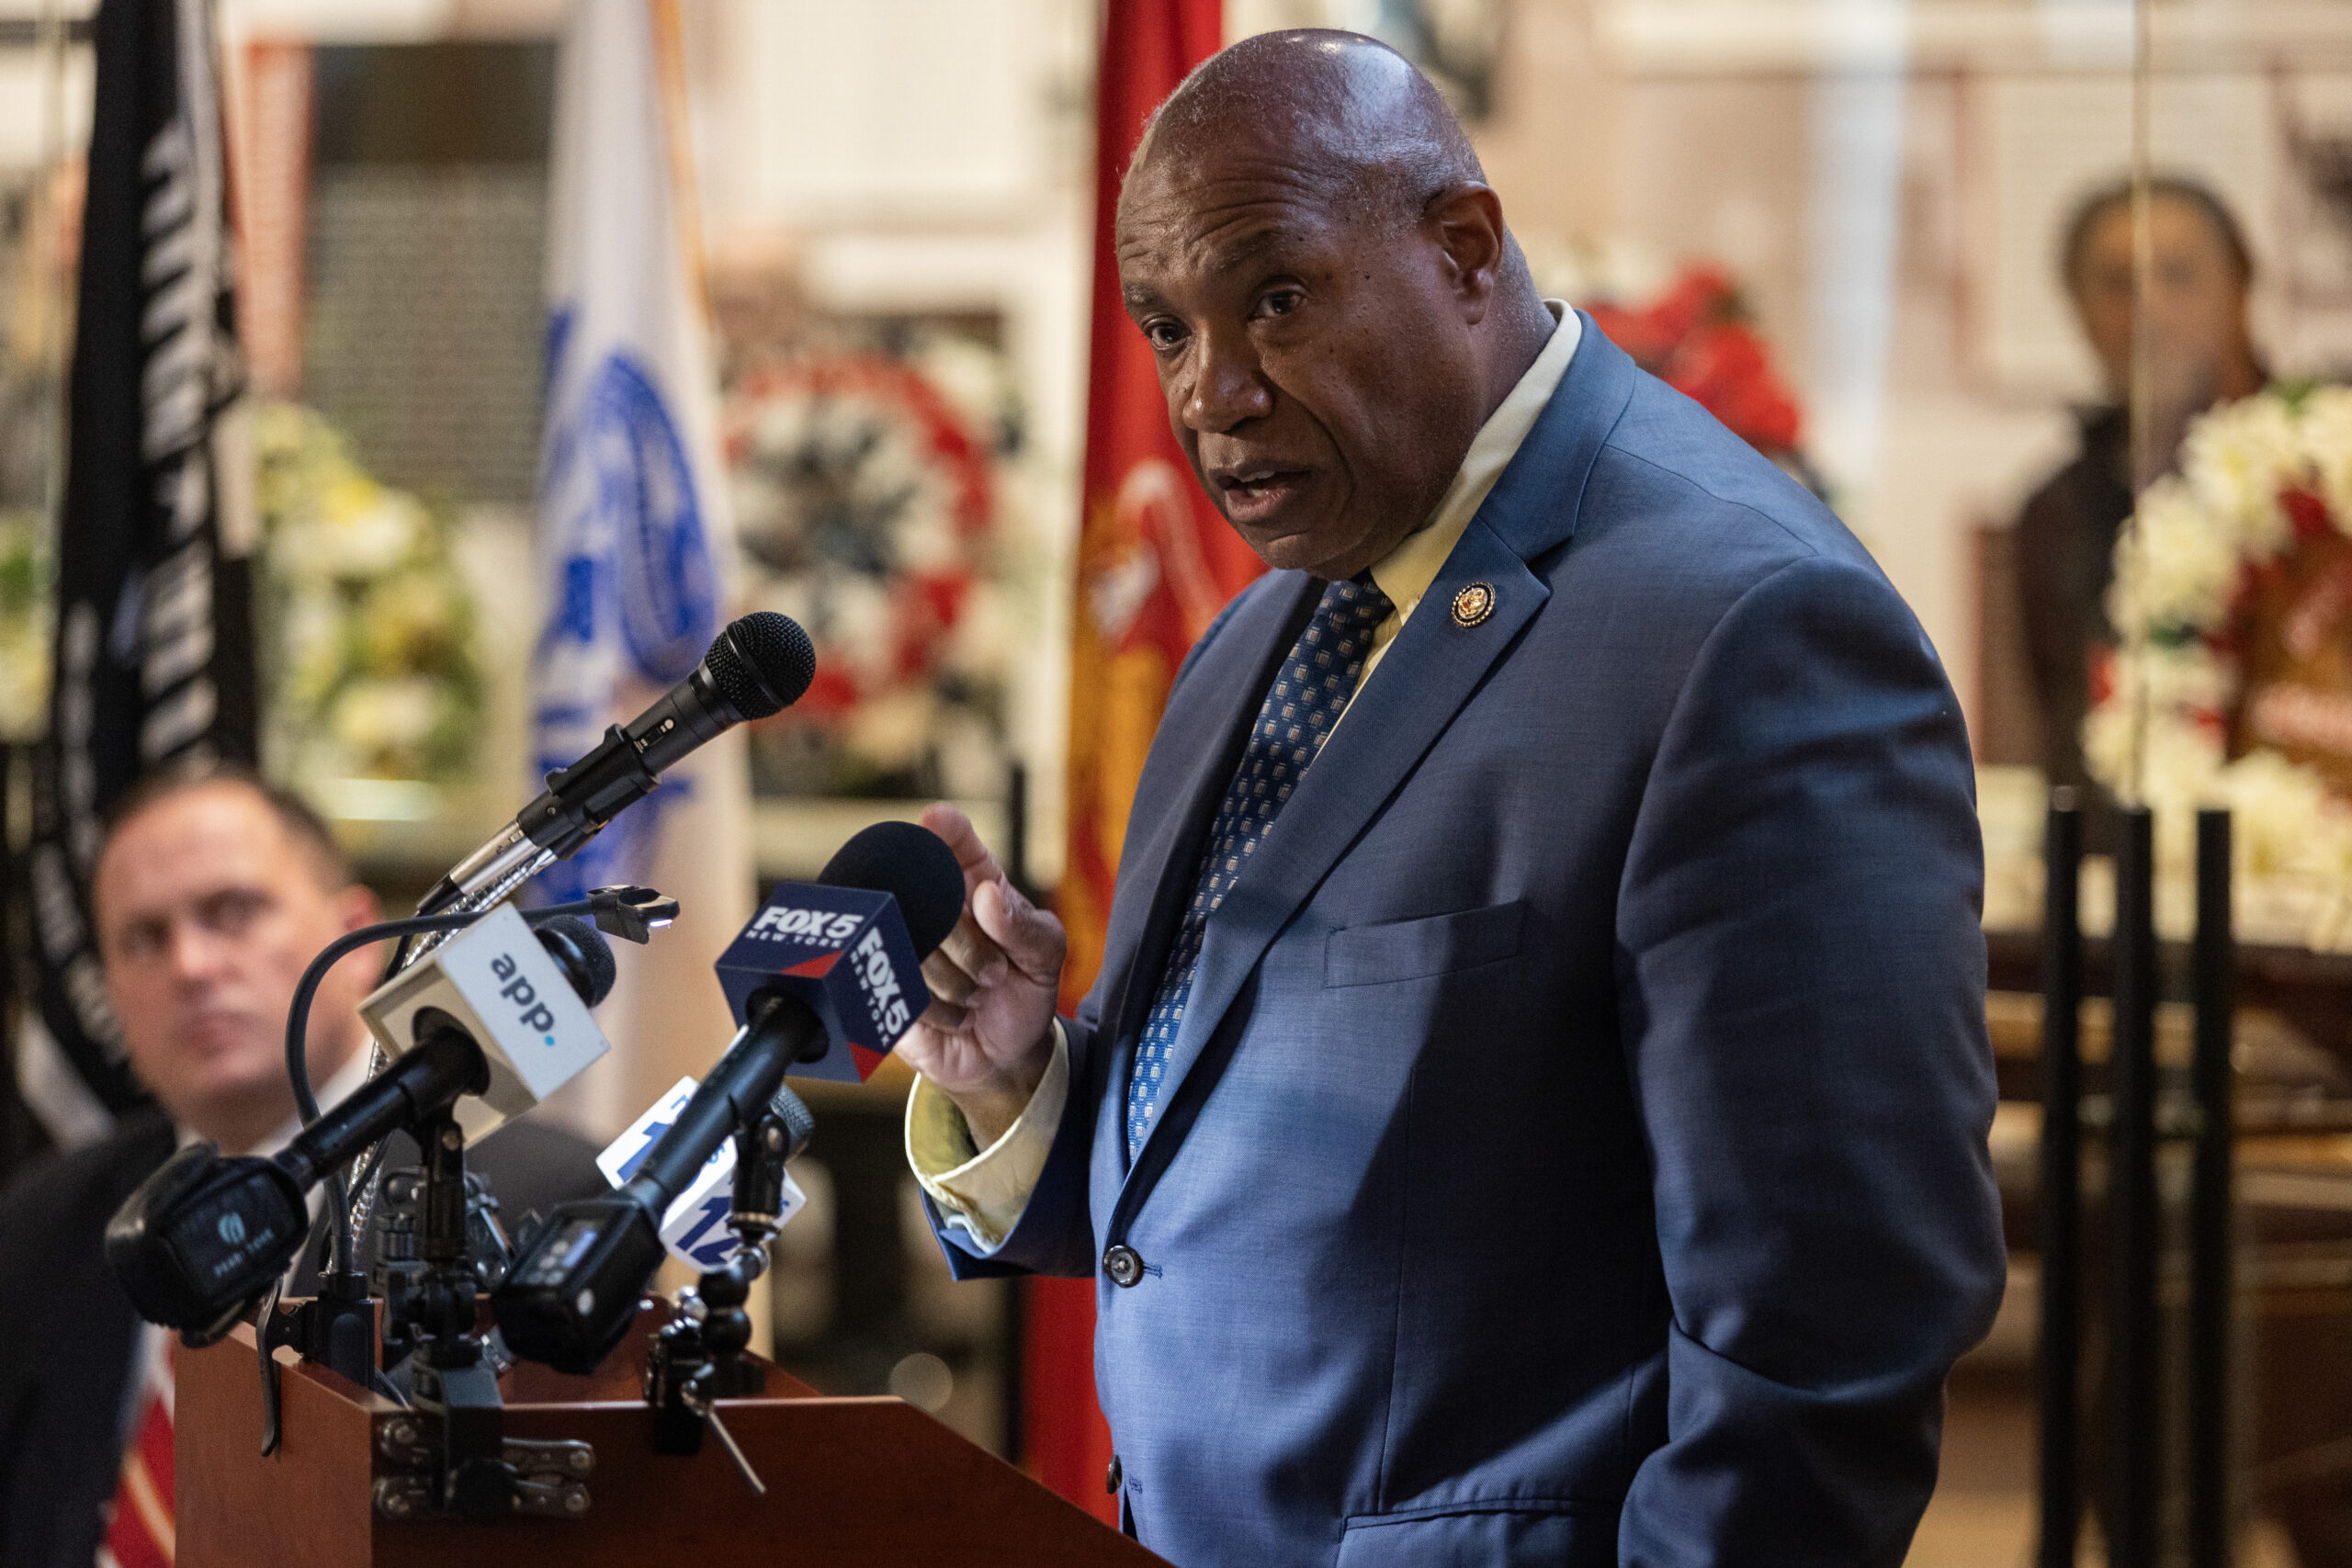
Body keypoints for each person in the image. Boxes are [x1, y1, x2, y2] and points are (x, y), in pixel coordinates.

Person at [893, 29, 2005, 1567]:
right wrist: (1020, 1078)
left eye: (1275, 299)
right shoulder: (1264, 619)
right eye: (1165, 328)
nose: (1211, 395)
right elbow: (1266, 1196)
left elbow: (1832, 1341)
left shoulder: (1747, 634)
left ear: (1464, 250)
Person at [0, 764, 605, 1568]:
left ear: (355, 936)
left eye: (232, 911)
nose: (190, 966)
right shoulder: (45, 1221)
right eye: (143, 938)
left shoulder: (542, 1197)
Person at [2015, 175, 2265, 804]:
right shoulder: (2053, 516)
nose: (2149, 307)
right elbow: (2071, 748)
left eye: (2177, 274)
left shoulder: (2326, 473)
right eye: (2118, 285)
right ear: (2078, 309)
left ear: (2239, 289)